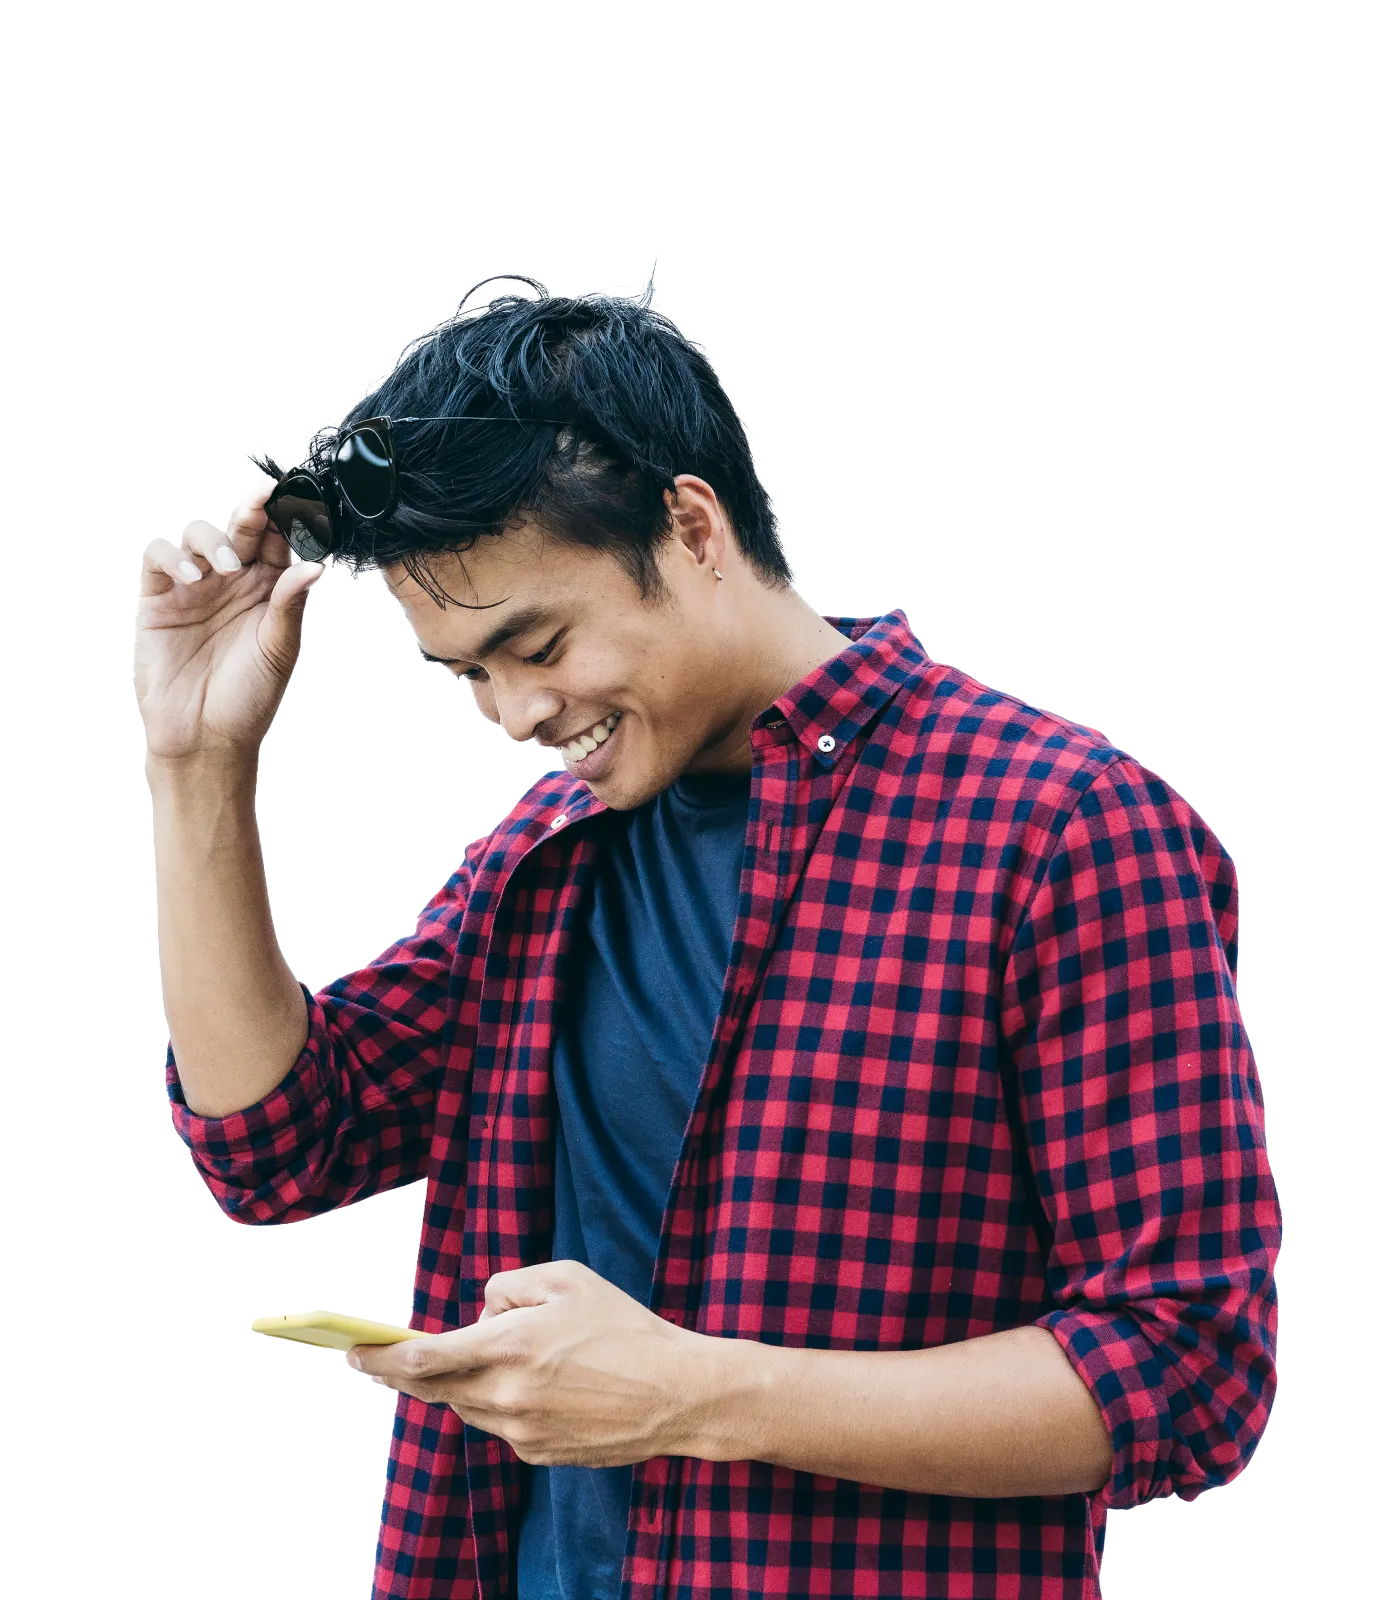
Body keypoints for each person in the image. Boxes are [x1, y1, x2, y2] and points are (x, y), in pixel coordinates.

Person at [134, 274, 1281, 1600]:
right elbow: (276, 1146)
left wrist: (695, 1395)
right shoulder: (546, 852)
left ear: (690, 527)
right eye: (469, 675)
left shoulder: (1063, 827)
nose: (512, 715)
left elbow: (1189, 1371)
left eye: (538, 643)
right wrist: (196, 761)